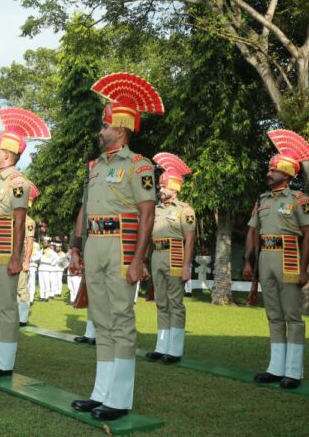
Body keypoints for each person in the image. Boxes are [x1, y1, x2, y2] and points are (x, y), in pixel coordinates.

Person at [68, 72, 162, 421]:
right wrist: (75, 248)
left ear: (119, 128)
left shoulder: (139, 165)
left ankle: (119, 399)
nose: (101, 131)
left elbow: (148, 215)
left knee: (121, 320)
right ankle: (100, 393)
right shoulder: (93, 167)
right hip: (94, 244)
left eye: (105, 125)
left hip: (122, 246)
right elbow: (84, 209)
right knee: (101, 318)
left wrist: (139, 259)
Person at [0, 108, 50, 380]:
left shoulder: (18, 183)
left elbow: (19, 222)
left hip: (6, 249)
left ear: (7, 154)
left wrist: (17, 257)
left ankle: (4, 361)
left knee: (6, 305)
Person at [244, 130, 309, 389]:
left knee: (292, 317)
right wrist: (249, 262)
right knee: (273, 315)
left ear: (286, 173)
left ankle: (294, 371)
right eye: (269, 169)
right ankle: (275, 368)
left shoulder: (300, 200)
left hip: (288, 259)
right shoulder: (261, 200)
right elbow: (252, 231)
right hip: (266, 258)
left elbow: (308, 235)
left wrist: (304, 268)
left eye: (273, 170)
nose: (268, 173)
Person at [145, 152, 195, 364]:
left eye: (164, 186)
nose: (160, 189)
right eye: (160, 186)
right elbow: (147, 237)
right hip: (157, 255)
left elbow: (190, 240)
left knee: (175, 303)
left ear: (174, 188)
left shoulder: (185, 210)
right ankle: (161, 346)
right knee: (161, 302)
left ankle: (174, 349)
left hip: (175, 255)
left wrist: (186, 266)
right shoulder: (155, 209)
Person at [17, 183, 40, 326]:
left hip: (22, 257)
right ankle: (14, 316)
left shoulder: (29, 221)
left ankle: (23, 319)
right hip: (13, 256)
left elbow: (30, 243)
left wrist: (26, 261)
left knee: (22, 289)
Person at [35, 236, 58, 302]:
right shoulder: (41, 250)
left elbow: (57, 258)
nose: (44, 243)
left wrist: (52, 263)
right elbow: (37, 257)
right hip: (41, 267)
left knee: (46, 283)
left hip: (47, 268)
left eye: (45, 242)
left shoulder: (51, 251)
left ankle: (46, 296)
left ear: (48, 244)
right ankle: (42, 296)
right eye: (43, 242)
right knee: (41, 283)